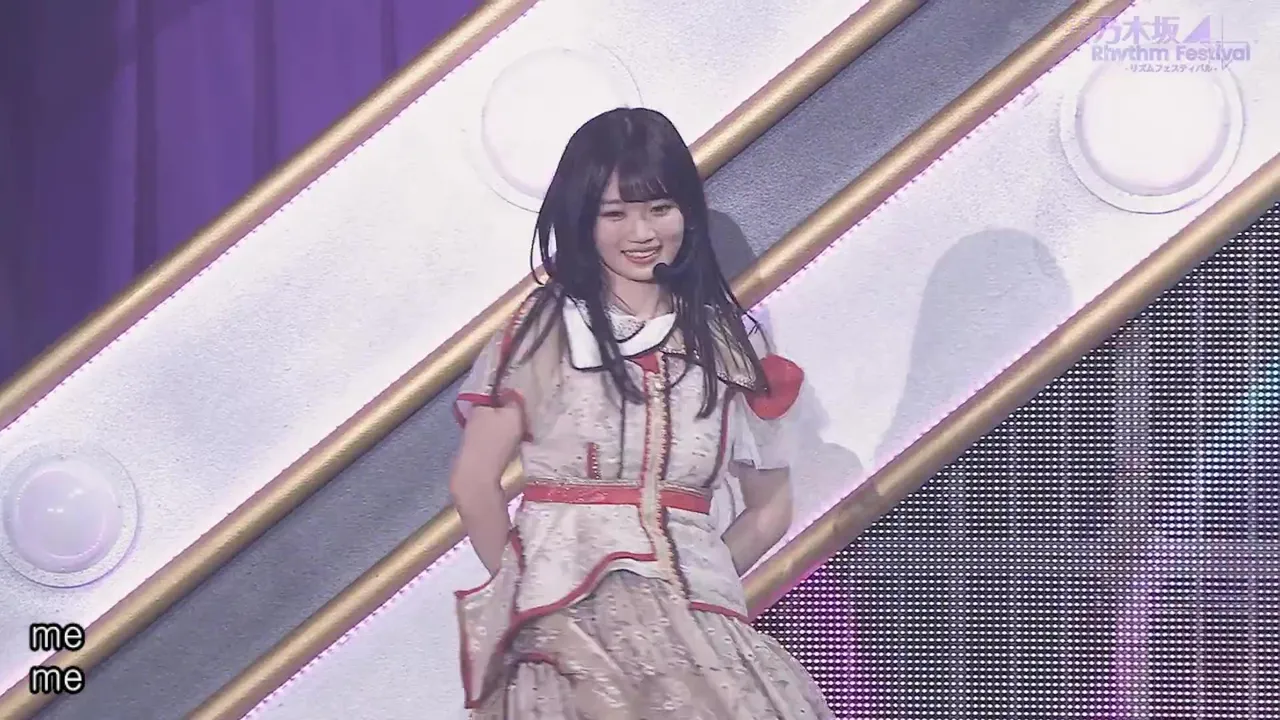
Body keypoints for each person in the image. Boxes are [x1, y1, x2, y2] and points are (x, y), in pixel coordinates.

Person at [448, 106, 835, 719]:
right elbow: (473, 484)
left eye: (659, 208)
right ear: (583, 218)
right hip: (567, 629)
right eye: (615, 214)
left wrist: (698, 587)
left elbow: (770, 508)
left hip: (699, 625)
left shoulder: (728, 343)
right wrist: (527, 594)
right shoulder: (547, 328)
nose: (641, 232)